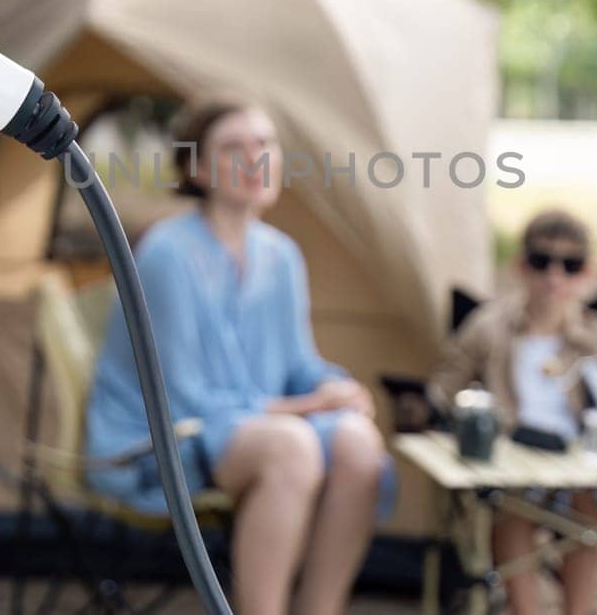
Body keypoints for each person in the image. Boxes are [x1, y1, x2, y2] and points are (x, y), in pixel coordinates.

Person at [84, 96, 394, 615]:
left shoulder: (281, 256)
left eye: (264, 145)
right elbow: (183, 398)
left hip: (249, 424)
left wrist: (335, 388)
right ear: (199, 168)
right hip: (165, 438)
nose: (255, 160)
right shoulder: (167, 253)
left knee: (359, 443)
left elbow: (298, 366)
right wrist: (302, 409)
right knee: (291, 446)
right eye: (234, 148)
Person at [430, 209, 597, 615]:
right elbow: (443, 392)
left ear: (585, 273)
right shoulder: (489, 327)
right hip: (512, 460)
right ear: (521, 266)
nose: (554, 276)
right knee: (513, 506)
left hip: (580, 465)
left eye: (569, 265)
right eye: (542, 262)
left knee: (588, 502)